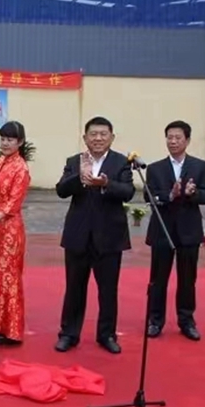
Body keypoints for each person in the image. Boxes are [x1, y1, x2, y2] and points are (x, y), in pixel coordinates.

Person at [54, 116, 135, 354]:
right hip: (78, 235)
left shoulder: (121, 162)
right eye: (93, 134)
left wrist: (106, 184)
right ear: (85, 138)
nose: (98, 138)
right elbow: (61, 190)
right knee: (74, 288)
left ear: (111, 137)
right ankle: (68, 334)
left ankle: (106, 335)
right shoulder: (74, 161)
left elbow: (128, 191)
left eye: (103, 134)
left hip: (109, 237)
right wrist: (78, 177)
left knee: (108, 290)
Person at [145, 120, 205, 341]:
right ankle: (155, 320)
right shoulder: (155, 168)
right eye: (169, 137)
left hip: (189, 231)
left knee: (187, 279)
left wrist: (193, 193)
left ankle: (186, 321)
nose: (173, 141)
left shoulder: (199, 166)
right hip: (162, 229)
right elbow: (148, 196)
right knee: (158, 279)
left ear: (187, 140)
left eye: (178, 138)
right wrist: (170, 195)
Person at [0, 121, 31, 346]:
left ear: (19, 142)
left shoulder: (21, 169)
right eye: (2, 139)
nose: (5, 143)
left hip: (10, 229)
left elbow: (13, 204)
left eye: (10, 140)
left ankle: (11, 331)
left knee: (8, 277)